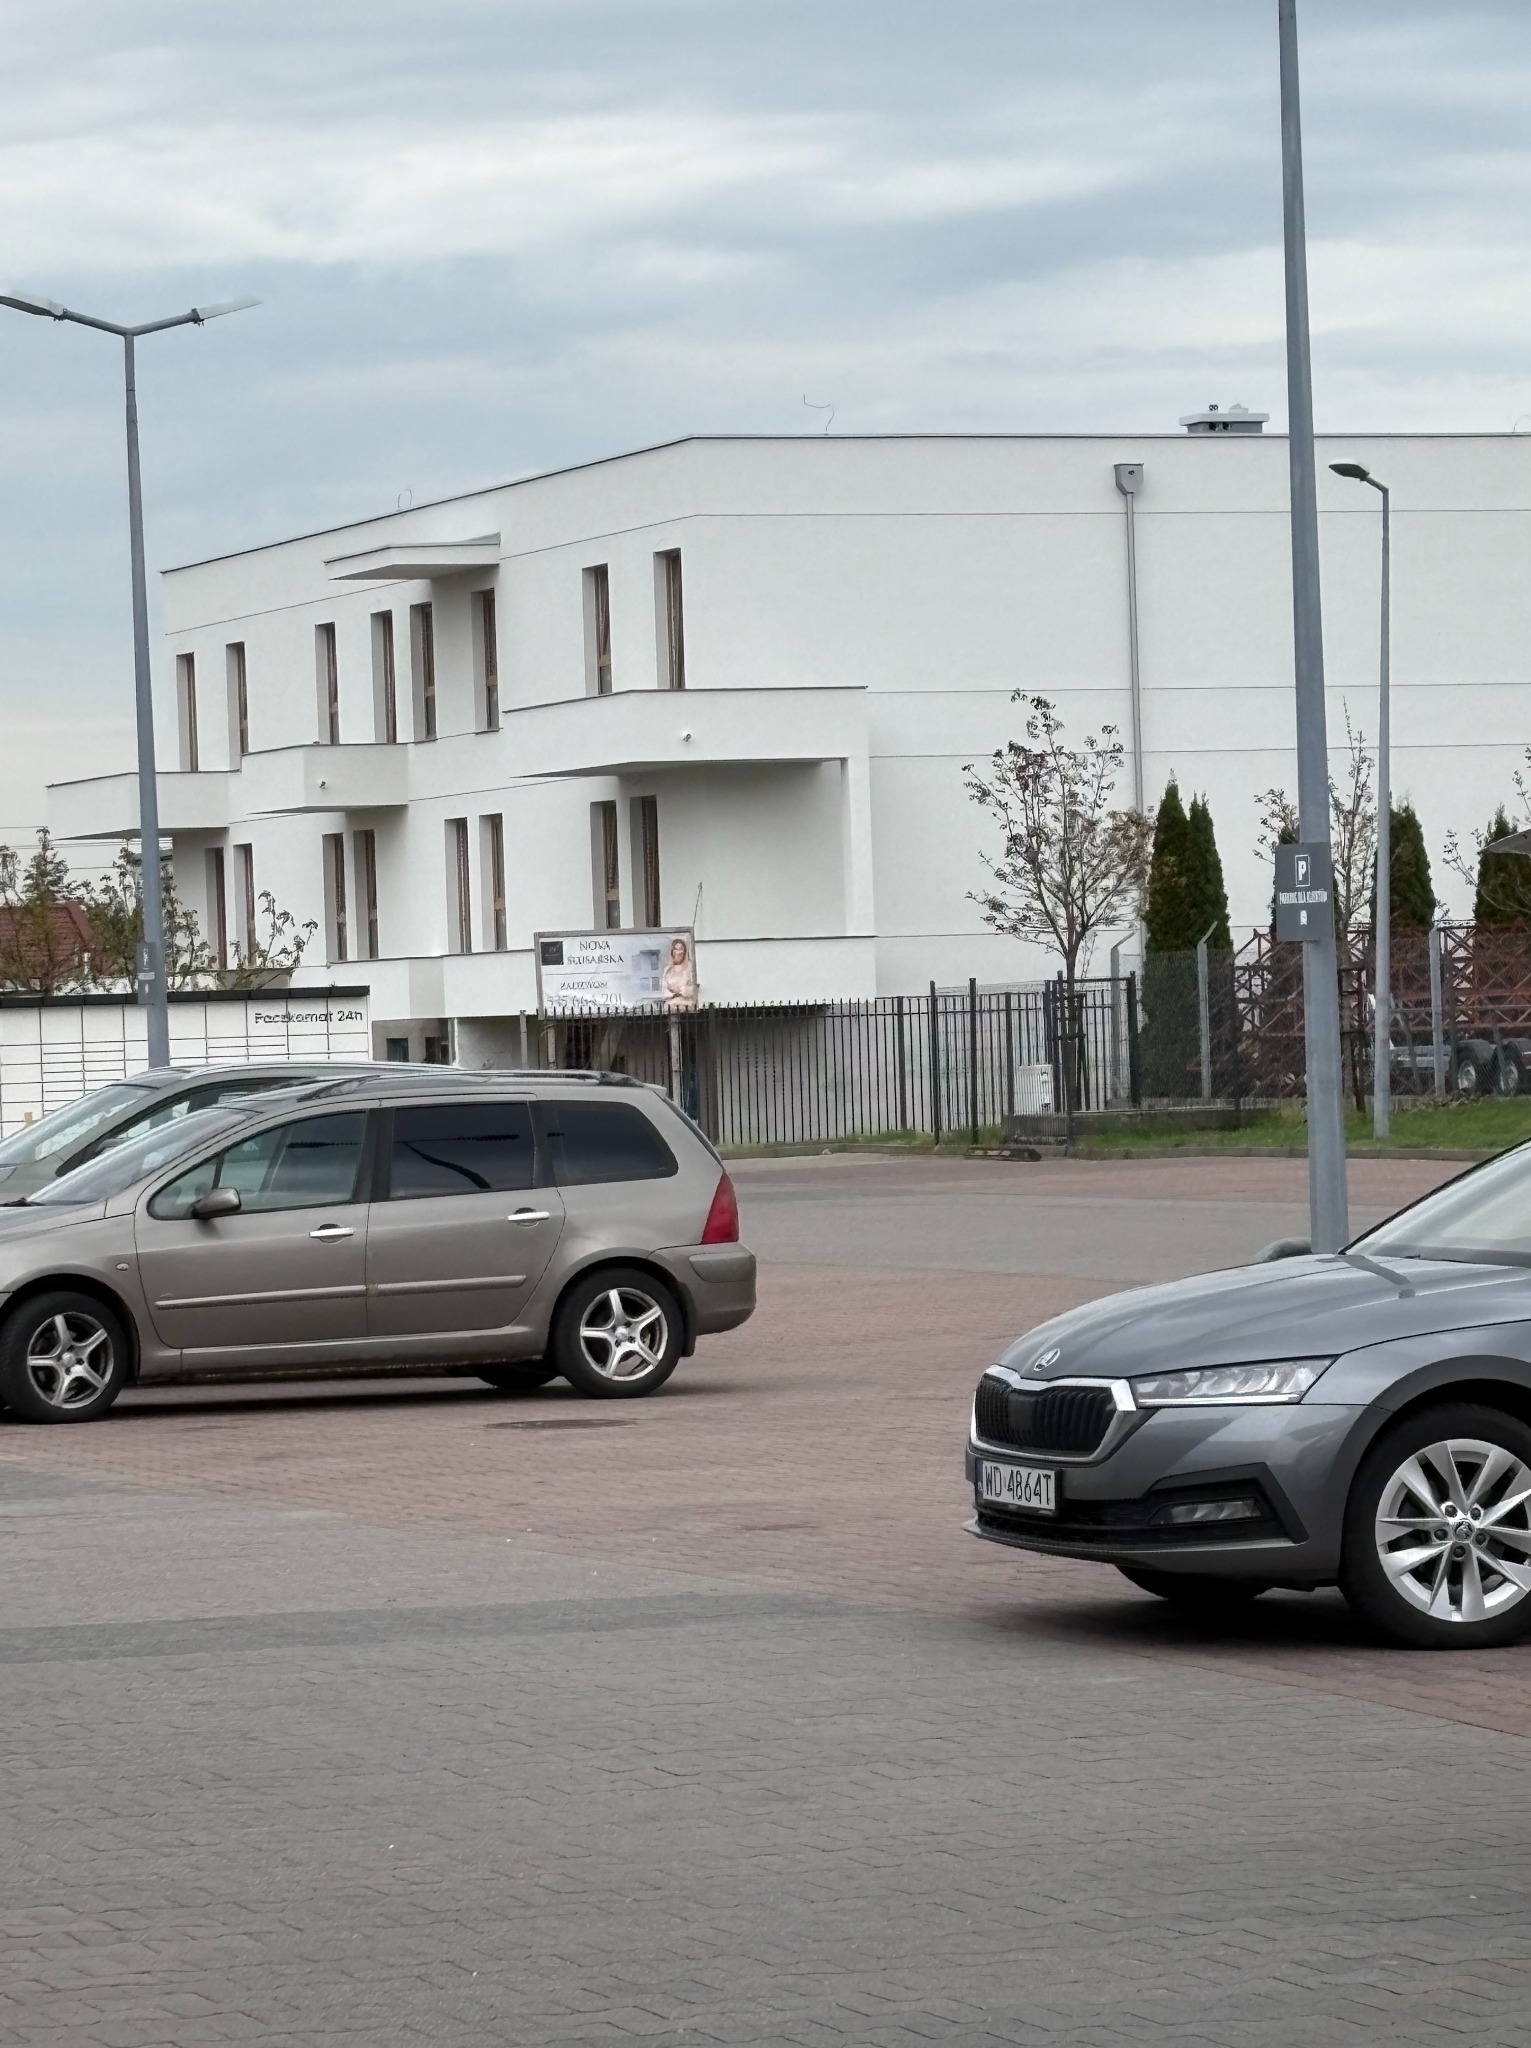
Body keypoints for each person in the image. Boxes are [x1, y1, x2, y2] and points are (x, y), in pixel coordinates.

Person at [661, 935, 698, 1010]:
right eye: (675, 949)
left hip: (686, 1004)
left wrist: (681, 990)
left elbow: (693, 987)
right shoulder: (667, 970)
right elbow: (664, 989)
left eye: (680, 949)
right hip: (671, 1005)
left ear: (684, 951)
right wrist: (672, 992)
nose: (677, 952)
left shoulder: (689, 968)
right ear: (672, 952)